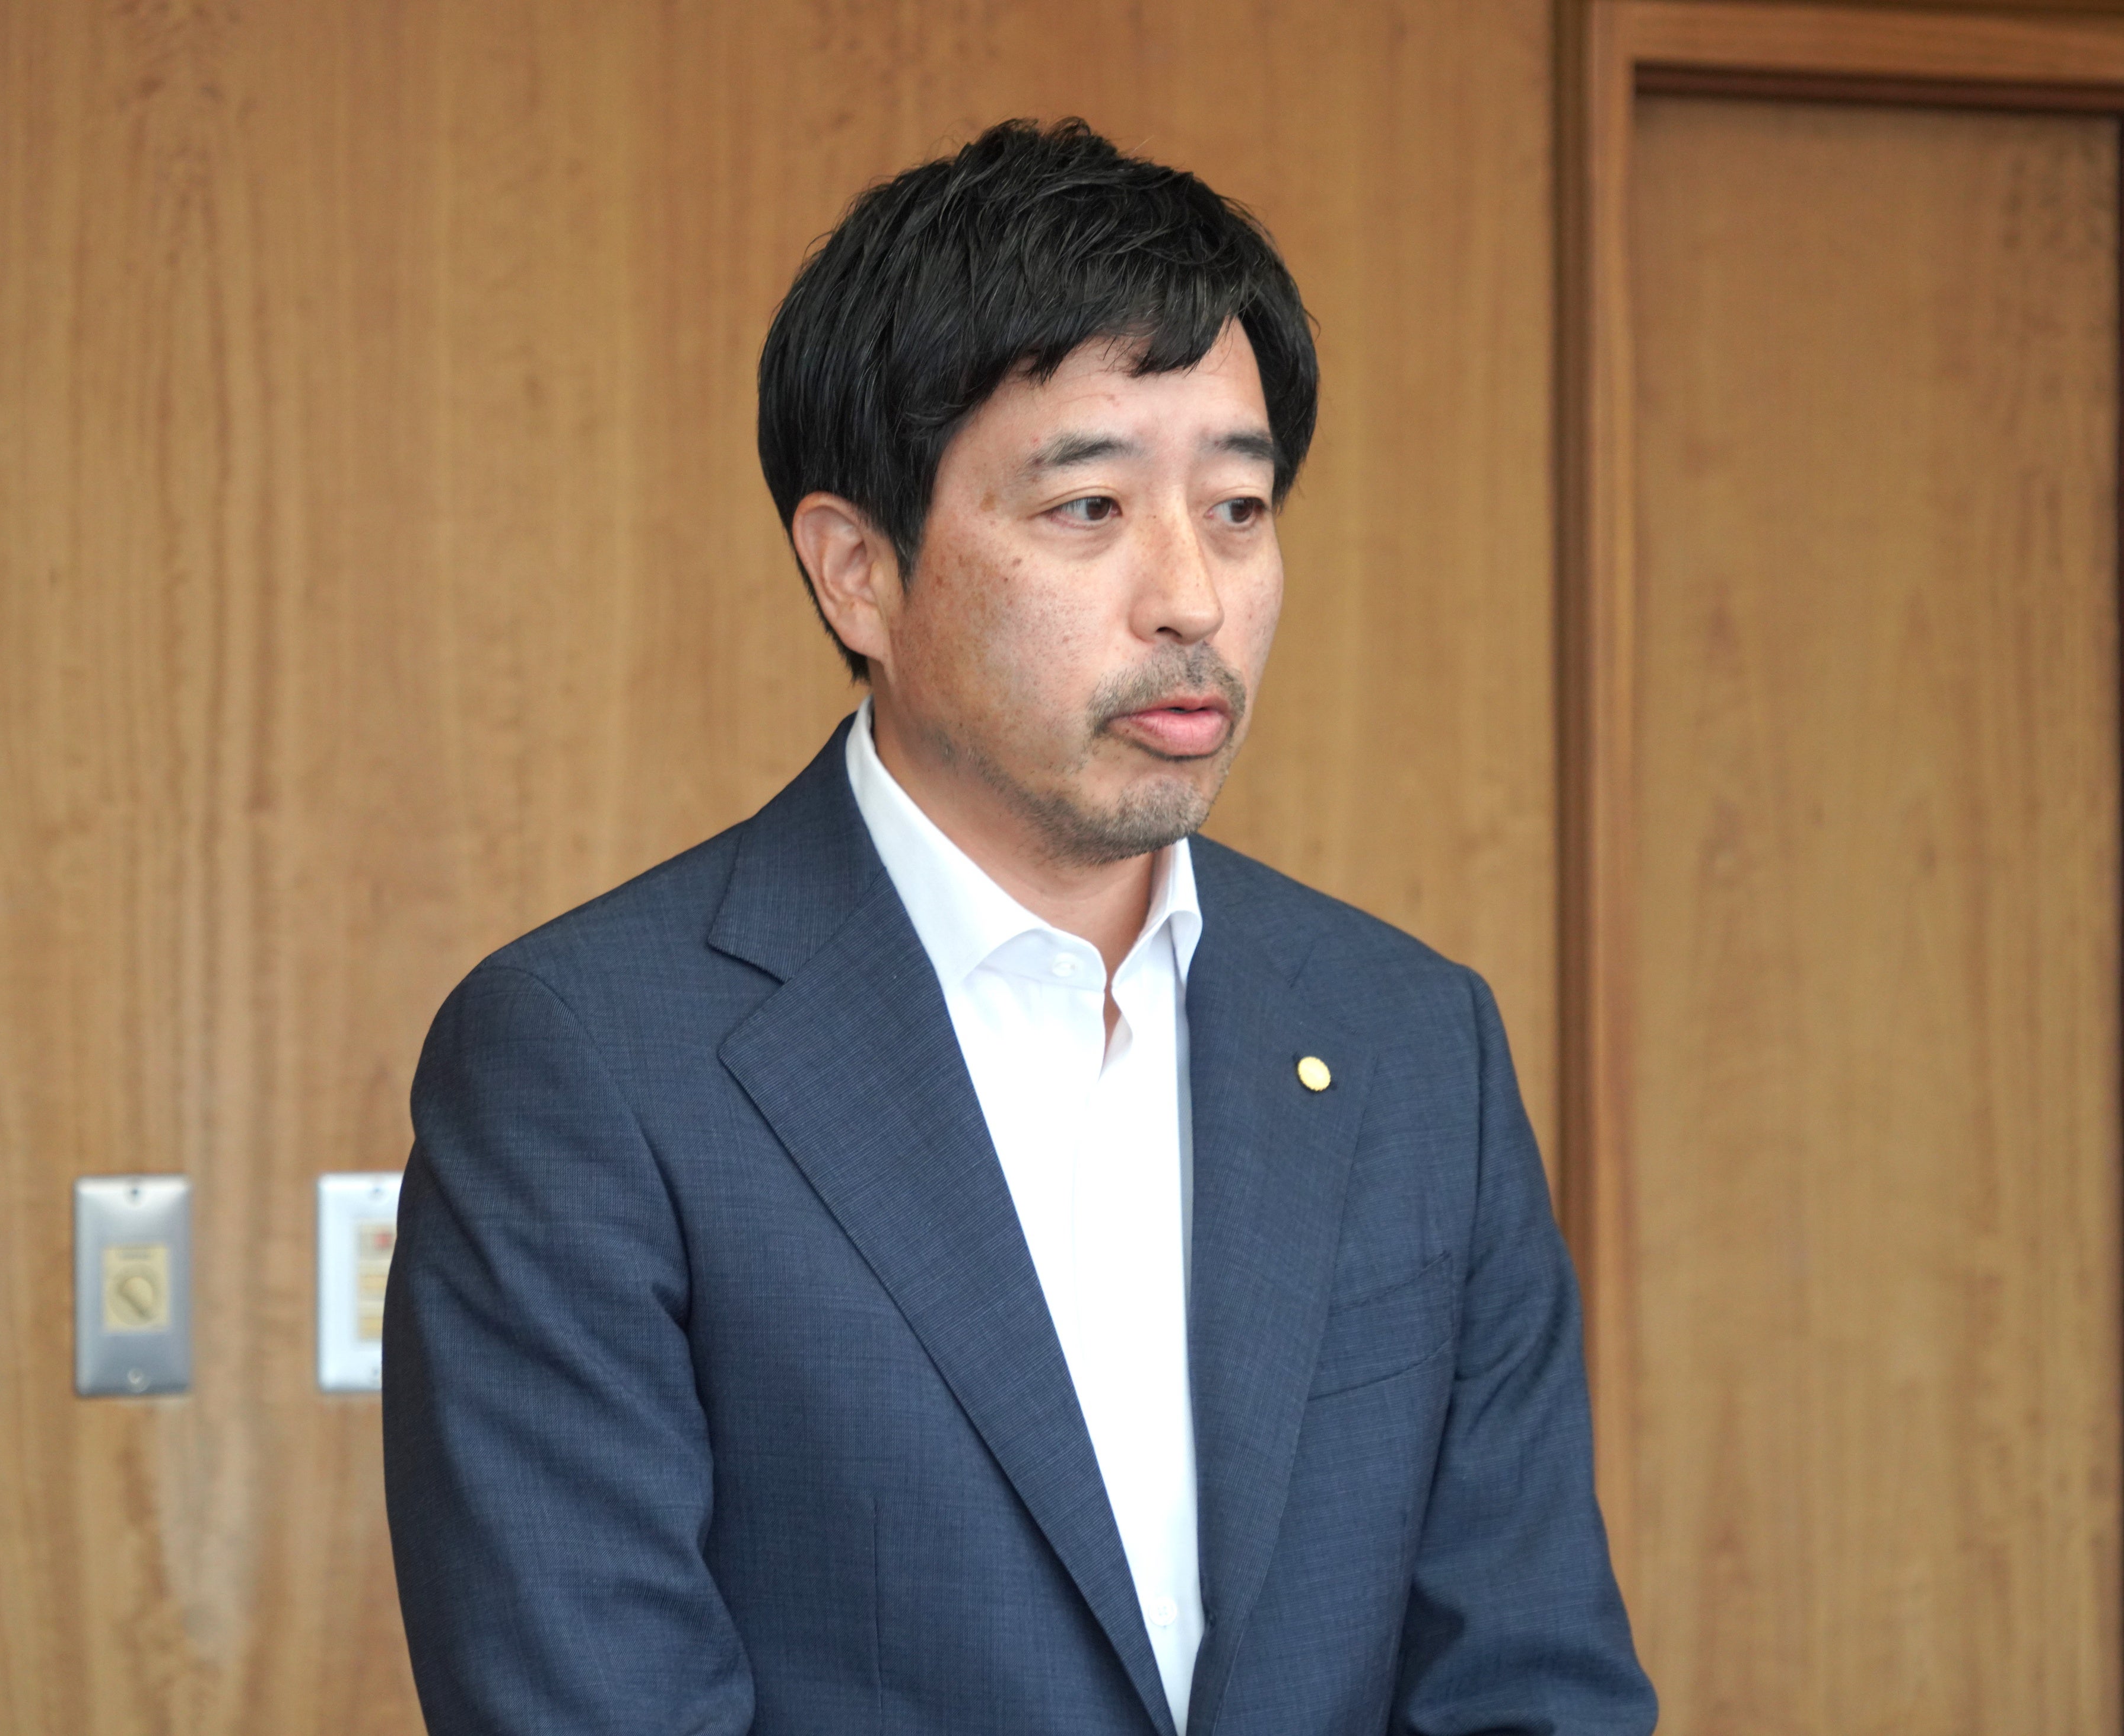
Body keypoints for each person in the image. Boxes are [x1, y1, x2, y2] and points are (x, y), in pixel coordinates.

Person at [382, 118, 1655, 1736]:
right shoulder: (590, 1061)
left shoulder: (1411, 1039)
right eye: (1090, 508)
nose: (1192, 597)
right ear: (858, 572)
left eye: (1239, 506)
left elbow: (1528, 1680)